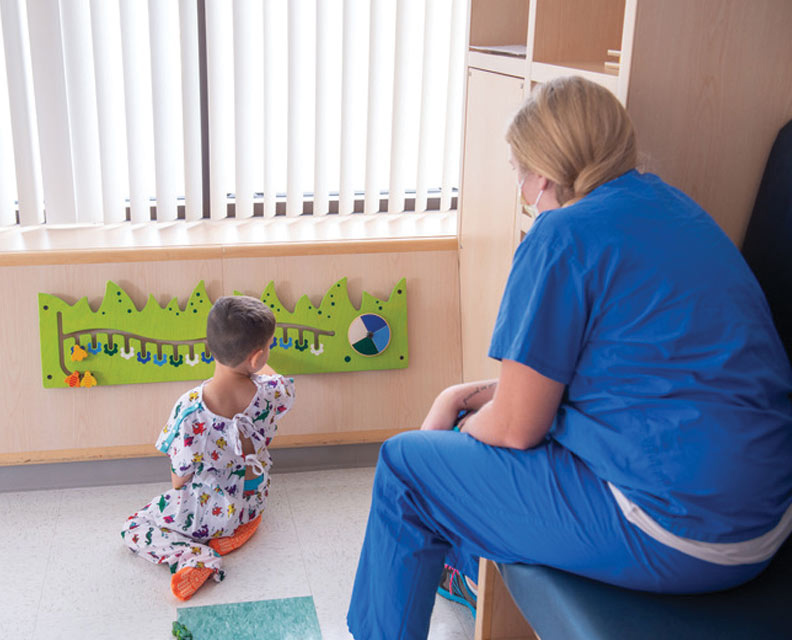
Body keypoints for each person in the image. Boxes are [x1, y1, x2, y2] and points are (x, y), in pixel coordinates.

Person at [346, 76, 792, 639]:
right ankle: (460, 571)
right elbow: (623, 371)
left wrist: (449, 425)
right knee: (463, 428)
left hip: (681, 532)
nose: (520, 187)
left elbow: (514, 429)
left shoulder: (562, 235)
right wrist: (470, 399)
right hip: (767, 515)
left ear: (543, 175)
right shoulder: (676, 208)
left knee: (406, 468)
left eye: (517, 170)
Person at [121, 295, 295, 601]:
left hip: (210, 510)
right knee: (235, 499)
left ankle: (195, 556)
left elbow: (179, 478)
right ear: (257, 358)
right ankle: (241, 528)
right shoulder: (272, 393)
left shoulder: (190, 410)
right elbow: (275, 378)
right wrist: (259, 362)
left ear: (208, 347)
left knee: (135, 526)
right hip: (252, 497)